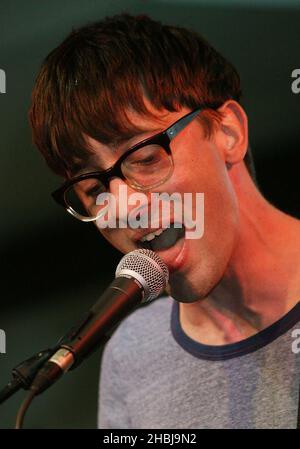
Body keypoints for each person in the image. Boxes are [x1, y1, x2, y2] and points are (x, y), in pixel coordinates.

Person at [29, 13, 300, 429]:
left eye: (144, 157)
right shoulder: (133, 356)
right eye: (92, 189)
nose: (120, 206)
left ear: (228, 132)